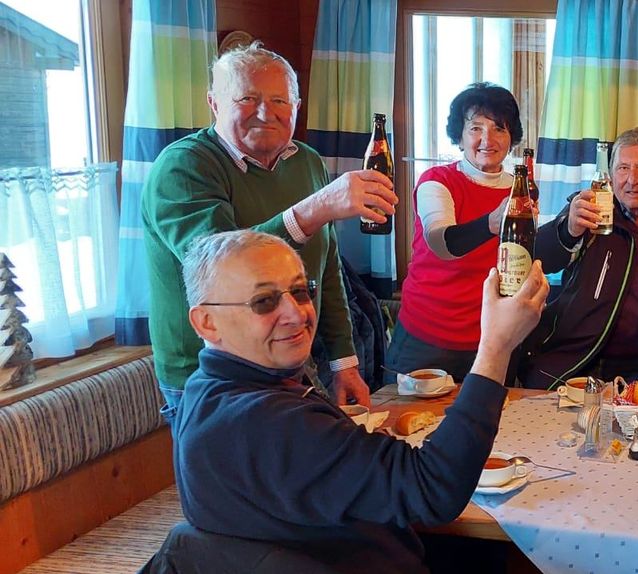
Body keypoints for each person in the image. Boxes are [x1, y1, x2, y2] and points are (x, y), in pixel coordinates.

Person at [170, 229, 548, 572]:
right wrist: (496, 347)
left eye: (300, 291)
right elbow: (434, 487)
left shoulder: (204, 391)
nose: (296, 314)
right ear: (207, 323)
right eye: (264, 301)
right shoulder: (269, 423)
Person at [143, 42, 396, 414]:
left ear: (296, 107)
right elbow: (222, 266)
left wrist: (344, 362)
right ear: (214, 103)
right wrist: (315, 209)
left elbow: (325, 268)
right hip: (209, 377)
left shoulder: (305, 161)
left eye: (280, 101)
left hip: (289, 364)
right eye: (247, 98)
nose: (265, 112)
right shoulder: (183, 167)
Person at [519, 127, 638, 389]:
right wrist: (567, 230)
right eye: (623, 168)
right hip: (574, 361)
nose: (631, 179)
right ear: (610, 175)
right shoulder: (590, 212)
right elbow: (535, 258)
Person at [388, 82, 524, 383]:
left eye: (499, 128)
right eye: (475, 128)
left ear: (511, 137)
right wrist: (491, 222)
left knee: (488, 426)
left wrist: (569, 228)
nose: (487, 139)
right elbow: (442, 241)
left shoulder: (521, 189)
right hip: (427, 335)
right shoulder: (436, 181)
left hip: (492, 339)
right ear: (459, 137)